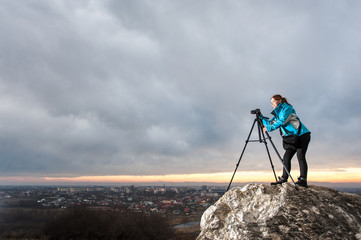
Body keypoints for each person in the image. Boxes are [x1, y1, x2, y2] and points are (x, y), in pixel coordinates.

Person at [261, 94, 311, 188]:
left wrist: (269, 128)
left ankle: (303, 180)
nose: (272, 104)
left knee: (300, 156)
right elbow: (270, 123)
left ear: (279, 100)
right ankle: (284, 178)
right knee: (286, 157)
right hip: (293, 138)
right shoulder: (278, 113)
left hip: (302, 135)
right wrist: (261, 117)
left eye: (273, 102)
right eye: (271, 103)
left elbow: (282, 121)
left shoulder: (287, 108)